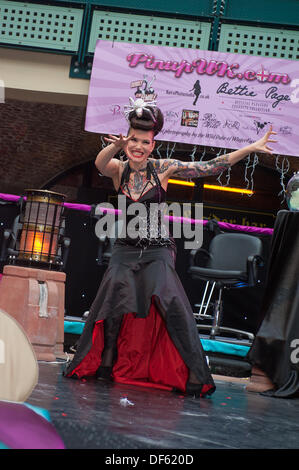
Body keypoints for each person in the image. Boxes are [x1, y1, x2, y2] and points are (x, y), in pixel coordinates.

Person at [64, 99, 277, 397]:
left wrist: (250, 148)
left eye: (144, 142)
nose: (138, 146)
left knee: (170, 303)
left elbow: (209, 167)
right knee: (113, 300)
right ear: (128, 140)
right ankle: (106, 363)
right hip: (125, 249)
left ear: (153, 145)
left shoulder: (162, 168)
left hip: (158, 250)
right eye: (134, 140)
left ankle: (190, 373)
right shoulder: (118, 170)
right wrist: (116, 146)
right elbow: (100, 163)